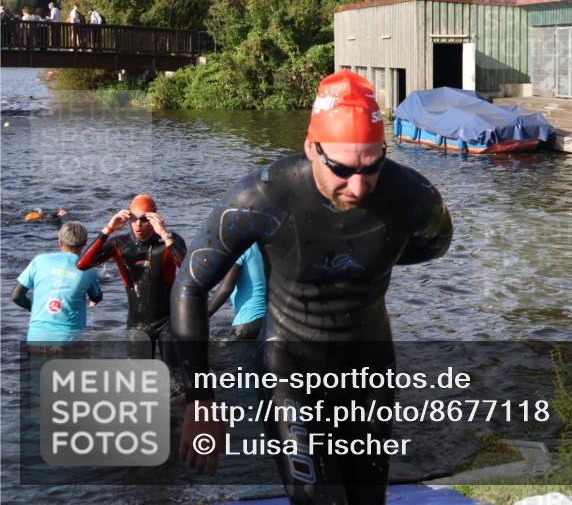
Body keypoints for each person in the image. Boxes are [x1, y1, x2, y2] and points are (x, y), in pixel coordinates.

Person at [173, 70, 453, 503]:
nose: (358, 186)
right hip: (289, 364)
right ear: (311, 148)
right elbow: (189, 287)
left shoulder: (412, 196)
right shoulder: (261, 198)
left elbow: (435, 245)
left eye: (372, 166)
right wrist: (201, 400)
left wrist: (373, 258)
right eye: (341, 169)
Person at [77, 194, 187, 364]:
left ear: (154, 218)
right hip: (137, 325)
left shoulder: (169, 240)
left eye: (144, 219)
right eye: (134, 219)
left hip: (168, 322)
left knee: (174, 378)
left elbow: (188, 270)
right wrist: (108, 229)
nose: (138, 225)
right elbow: (82, 264)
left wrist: (164, 234)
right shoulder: (119, 244)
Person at [11, 221, 103, 346]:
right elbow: (96, 297)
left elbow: (16, 296)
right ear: (85, 242)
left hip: (36, 338)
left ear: (59, 241)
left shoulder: (39, 261)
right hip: (68, 340)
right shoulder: (88, 269)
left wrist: (31, 307)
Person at [207, 242, 267, 340]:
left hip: (247, 322)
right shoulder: (265, 244)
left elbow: (226, 288)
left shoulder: (239, 247)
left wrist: (205, 313)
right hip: (269, 322)